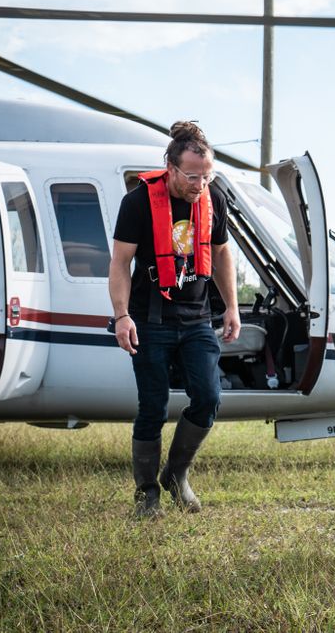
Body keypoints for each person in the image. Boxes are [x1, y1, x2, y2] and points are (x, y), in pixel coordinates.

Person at [109, 121, 241, 518]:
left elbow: (220, 254)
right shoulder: (137, 202)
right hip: (150, 319)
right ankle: (147, 492)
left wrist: (231, 306)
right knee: (153, 405)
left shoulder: (212, 198)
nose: (200, 184)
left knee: (208, 398)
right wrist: (121, 316)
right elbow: (119, 263)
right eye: (192, 176)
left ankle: (175, 475)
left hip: (197, 317)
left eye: (207, 175)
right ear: (169, 166)